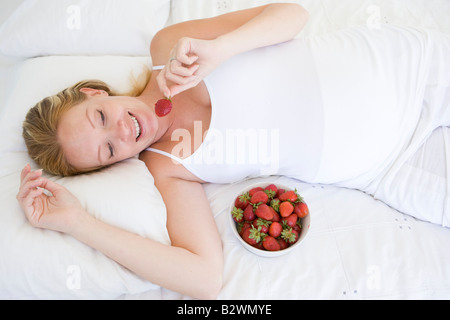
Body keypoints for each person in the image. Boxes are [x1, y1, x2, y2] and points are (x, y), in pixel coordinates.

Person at [16, 3, 449, 299]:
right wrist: (75, 223)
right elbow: (203, 279)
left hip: (411, 68)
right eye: (108, 150)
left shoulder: (167, 48)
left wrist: (221, 49)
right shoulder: (168, 170)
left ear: (94, 92)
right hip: (391, 166)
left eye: (100, 117)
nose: (122, 132)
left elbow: (292, 14)